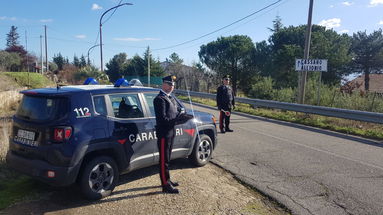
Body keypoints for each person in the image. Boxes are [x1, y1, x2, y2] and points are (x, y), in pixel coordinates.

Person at [153, 75, 193, 194]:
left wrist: (183, 117)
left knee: (168, 159)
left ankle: (168, 180)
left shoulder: (171, 98)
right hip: (164, 134)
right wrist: (179, 120)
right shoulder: (159, 99)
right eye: (169, 84)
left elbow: (175, 114)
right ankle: (165, 185)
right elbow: (163, 120)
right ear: (163, 84)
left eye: (173, 85)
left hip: (171, 132)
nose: (171, 87)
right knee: (163, 160)